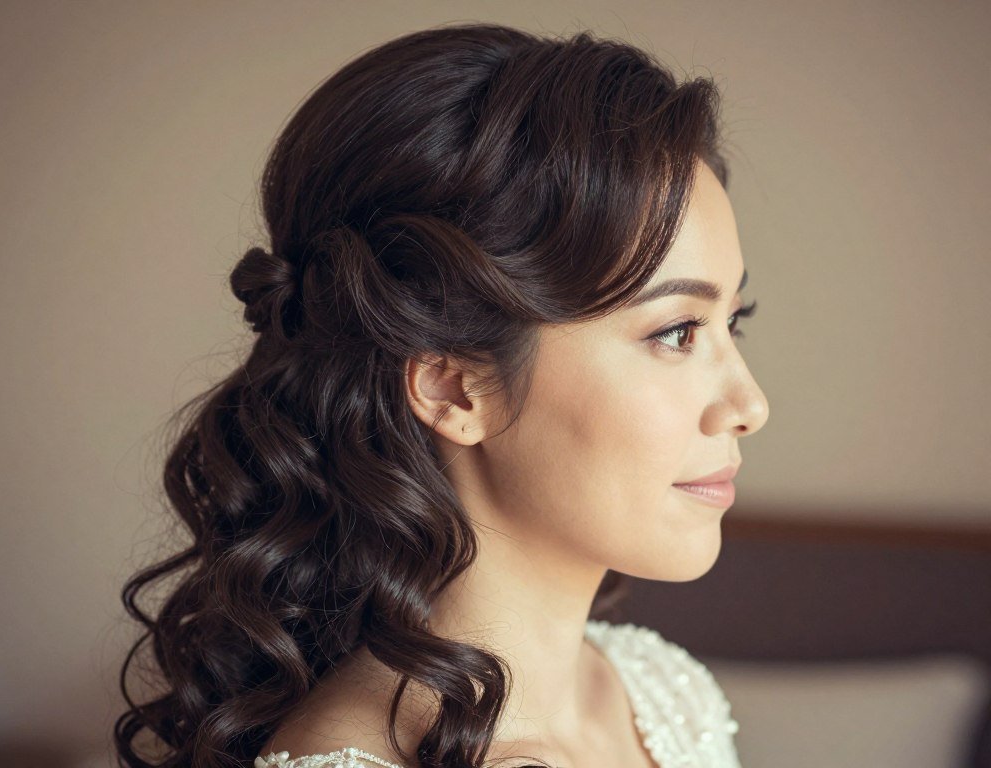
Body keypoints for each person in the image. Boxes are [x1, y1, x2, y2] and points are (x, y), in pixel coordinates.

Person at [115, 21, 769, 768]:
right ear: (456, 389)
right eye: (679, 331)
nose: (749, 405)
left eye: (733, 322)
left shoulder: (665, 694)